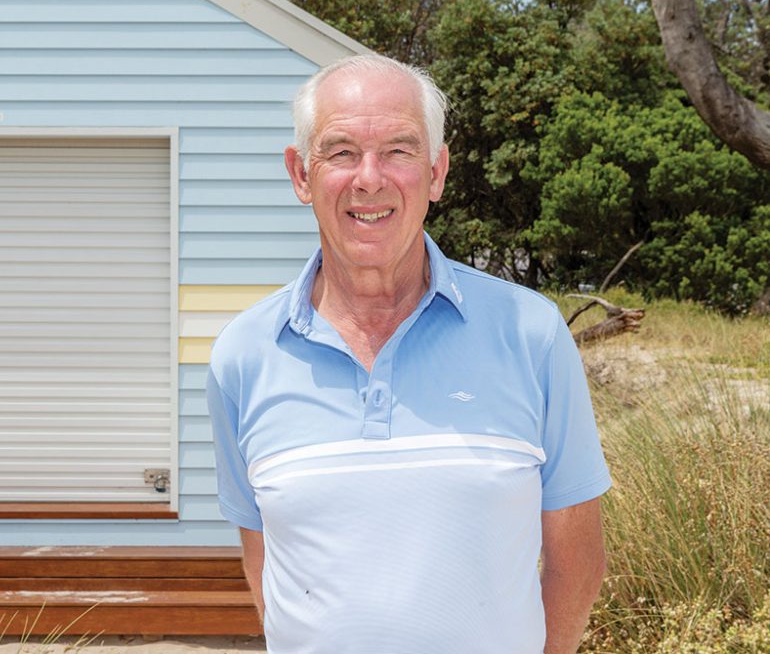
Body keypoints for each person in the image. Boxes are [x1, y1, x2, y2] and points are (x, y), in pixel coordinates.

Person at [206, 53, 611, 654]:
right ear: (300, 175)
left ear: (437, 172)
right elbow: (266, 566)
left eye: (398, 150)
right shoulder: (242, 355)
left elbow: (578, 563)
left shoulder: (531, 333)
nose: (369, 178)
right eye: (341, 151)